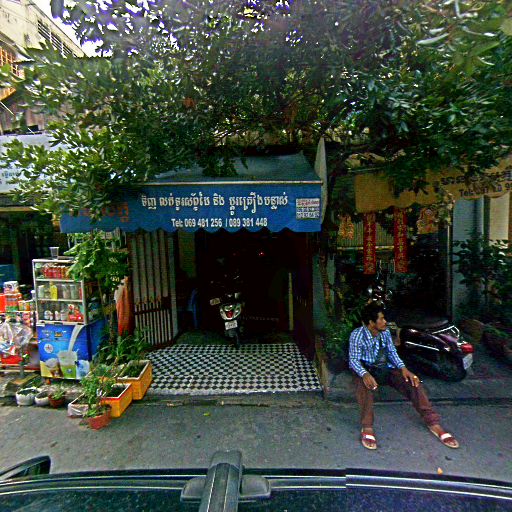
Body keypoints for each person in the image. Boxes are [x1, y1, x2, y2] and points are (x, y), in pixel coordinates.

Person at [349, 302, 459, 450]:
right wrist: (365, 374)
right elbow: (353, 360)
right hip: (365, 369)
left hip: (384, 368)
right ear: (371, 322)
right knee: (365, 388)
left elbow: (392, 353)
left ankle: (433, 422)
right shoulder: (357, 335)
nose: (385, 322)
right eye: (381, 319)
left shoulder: (385, 333)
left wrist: (404, 369)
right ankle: (367, 427)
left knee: (414, 382)